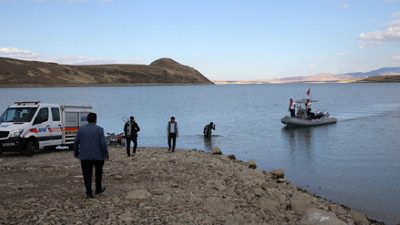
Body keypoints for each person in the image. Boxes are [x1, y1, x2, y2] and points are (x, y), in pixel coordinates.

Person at [73, 112, 109, 199]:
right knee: (98, 173)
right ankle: (98, 188)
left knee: (87, 174)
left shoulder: (81, 129)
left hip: (85, 156)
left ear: (87, 120)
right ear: (96, 120)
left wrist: (76, 153)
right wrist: (106, 154)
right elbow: (103, 143)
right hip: (98, 155)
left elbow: (75, 142)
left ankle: (89, 193)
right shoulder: (99, 129)